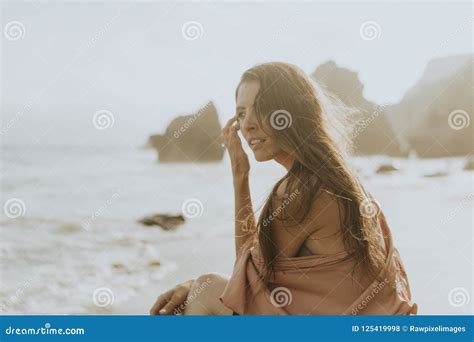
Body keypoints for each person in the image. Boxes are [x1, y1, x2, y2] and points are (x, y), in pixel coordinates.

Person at [150, 62, 417, 316]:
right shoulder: (339, 176)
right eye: (241, 113)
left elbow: (245, 282)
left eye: (262, 108)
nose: (248, 124)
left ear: (293, 113)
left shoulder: (302, 191)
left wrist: (239, 176)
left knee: (204, 290)